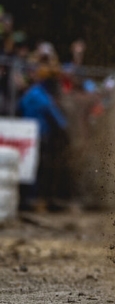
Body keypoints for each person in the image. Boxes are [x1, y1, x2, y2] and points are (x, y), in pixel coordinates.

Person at [16, 67, 69, 211]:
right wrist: (64, 129)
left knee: (28, 166)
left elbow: (19, 107)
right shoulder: (42, 96)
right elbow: (57, 118)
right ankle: (35, 198)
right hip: (41, 136)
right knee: (40, 168)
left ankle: (28, 197)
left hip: (26, 134)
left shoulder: (30, 93)